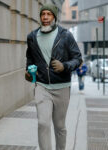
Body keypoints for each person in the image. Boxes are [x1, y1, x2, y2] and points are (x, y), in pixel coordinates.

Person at [25, 3, 82, 150]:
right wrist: (28, 73)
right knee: (43, 123)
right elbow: (30, 60)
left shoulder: (66, 35)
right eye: (43, 14)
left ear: (54, 17)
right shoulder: (32, 37)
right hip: (42, 86)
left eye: (48, 14)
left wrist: (64, 66)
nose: (45, 17)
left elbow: (77, 58)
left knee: (59, 126)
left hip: (61, 87)